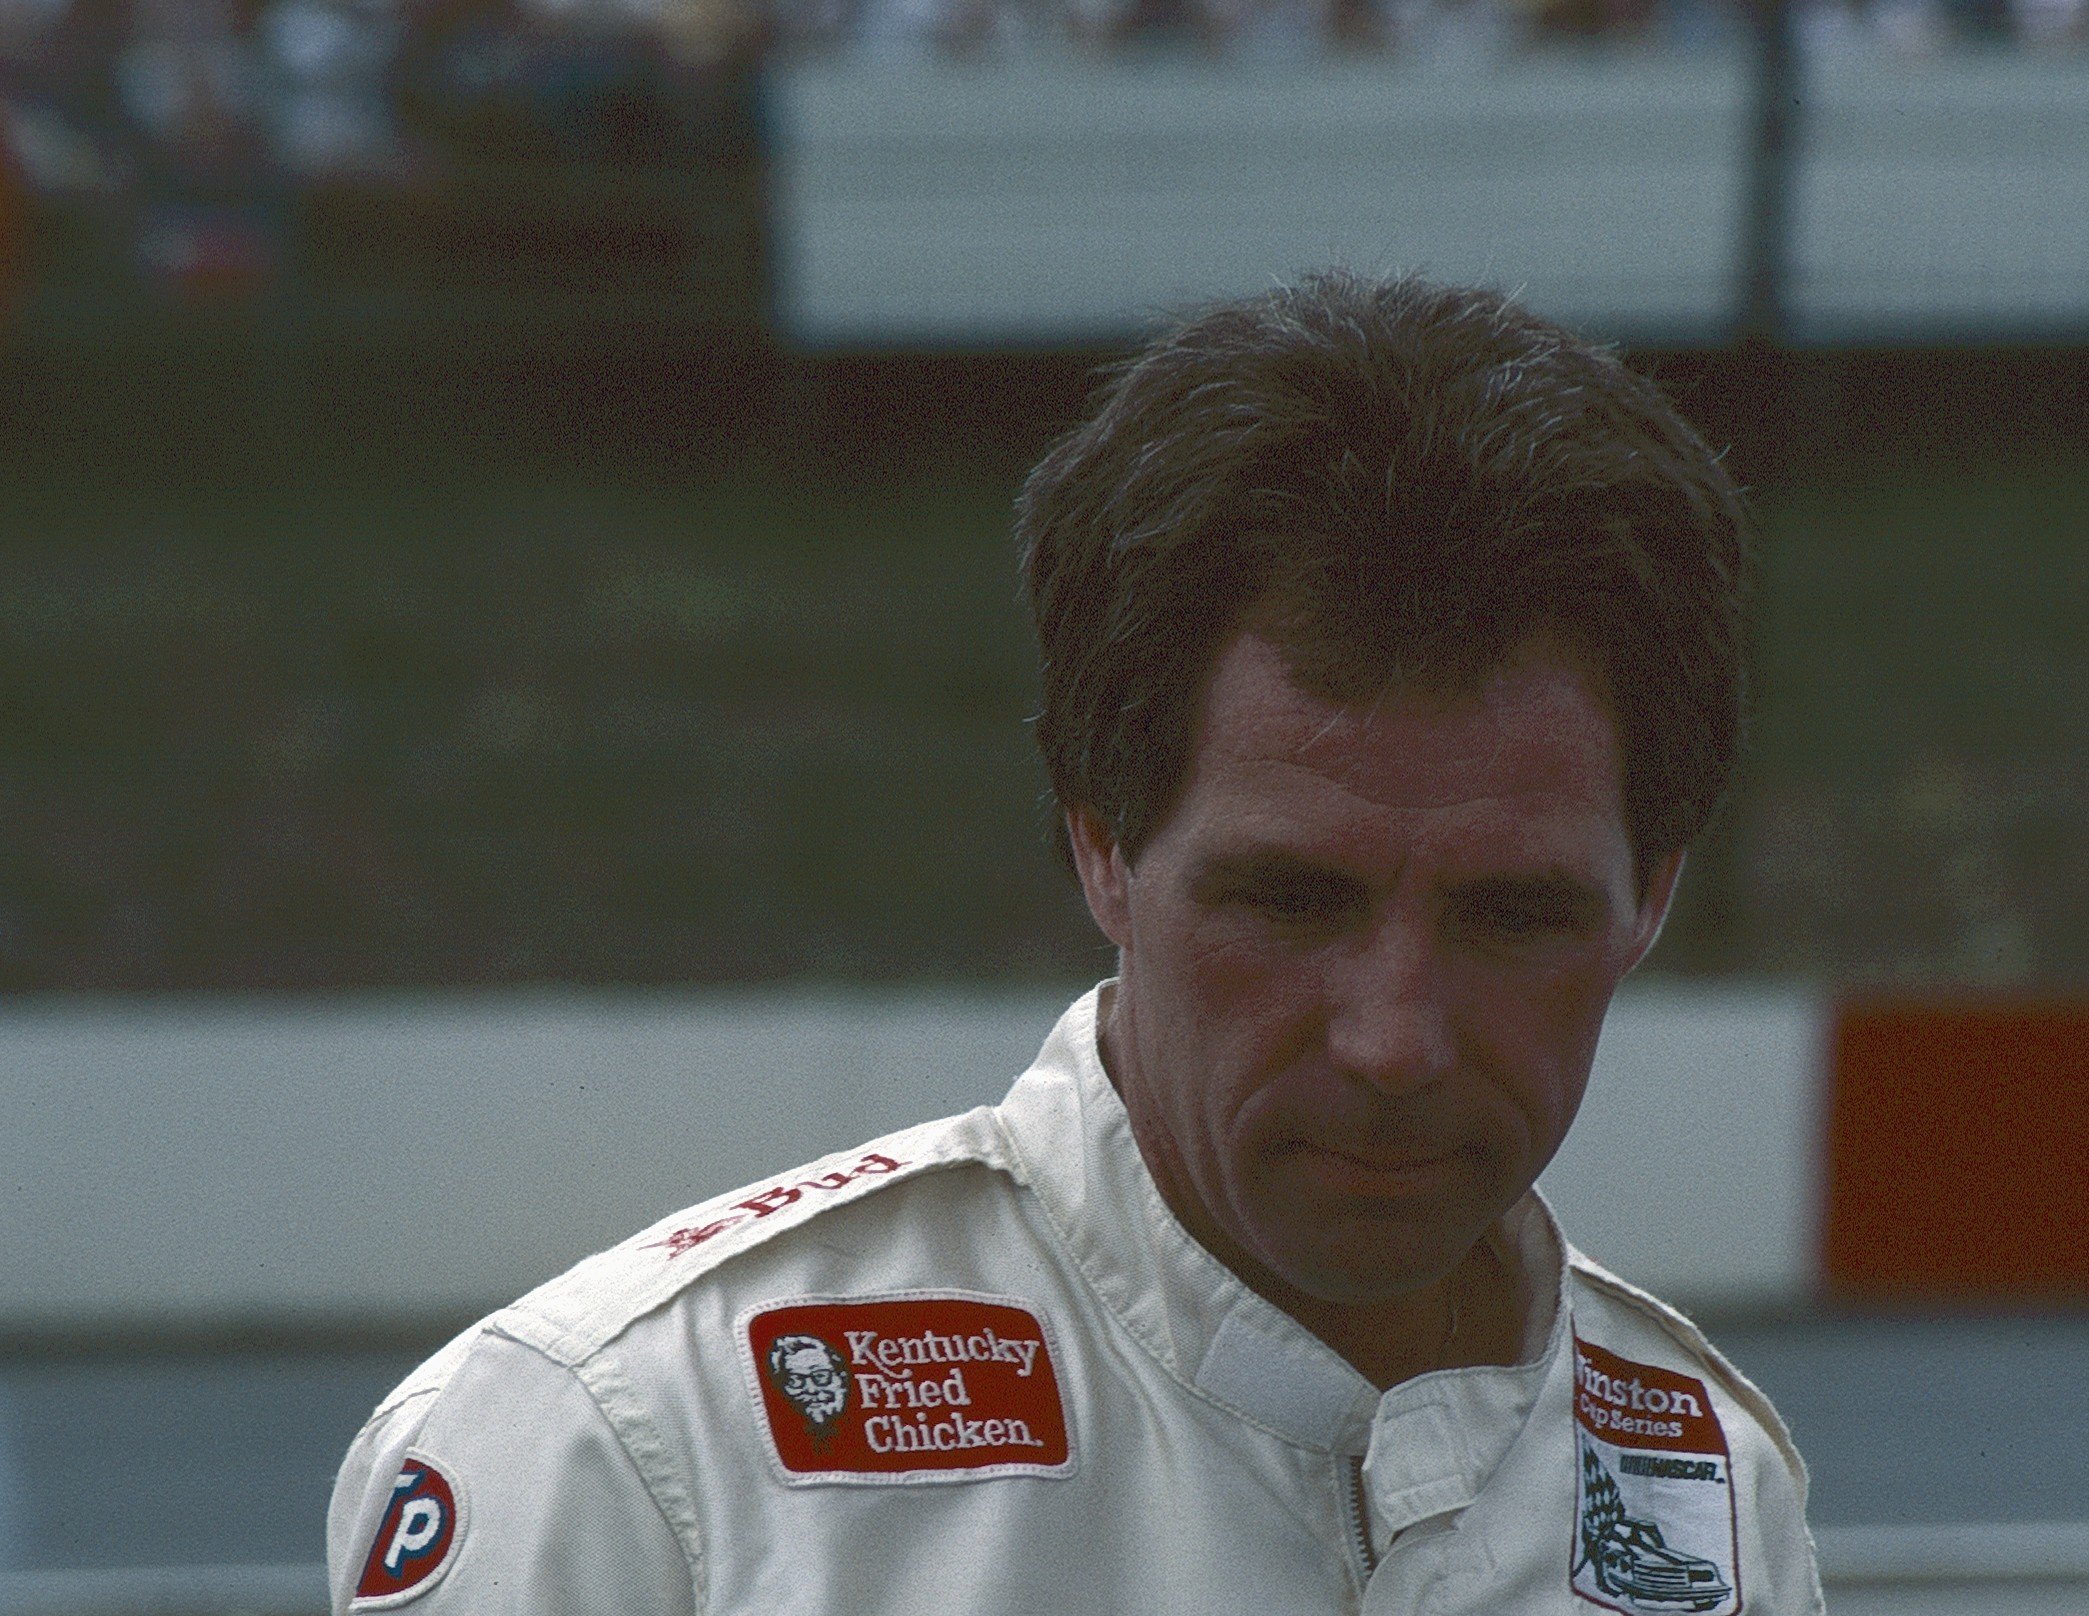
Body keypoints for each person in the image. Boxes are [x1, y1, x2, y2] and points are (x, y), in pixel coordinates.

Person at [327, 271, 1824, 1614]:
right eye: (1289, 901)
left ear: (1653, 893)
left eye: (1514, 916)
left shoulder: (1704, 1477)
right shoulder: (628, 1445)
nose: (1393, 1039)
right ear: (1100, 843)